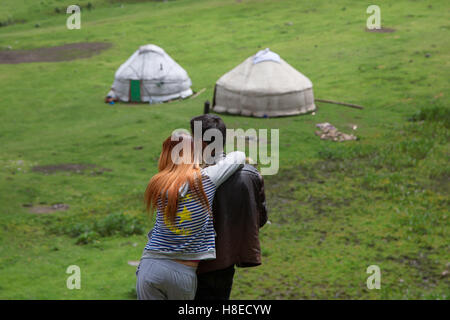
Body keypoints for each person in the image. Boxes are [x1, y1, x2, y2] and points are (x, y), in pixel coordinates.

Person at [136, 131, 245, 300]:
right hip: (183, 272)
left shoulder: (158, 184)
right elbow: (239, 156)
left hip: (150, 265)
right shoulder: (206, 179)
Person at [190, 114, 268, 300]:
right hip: (227, 262)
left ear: (201, 143)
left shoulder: (195, 178)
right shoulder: (251, 174)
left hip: (196, 264)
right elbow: (261, 219)